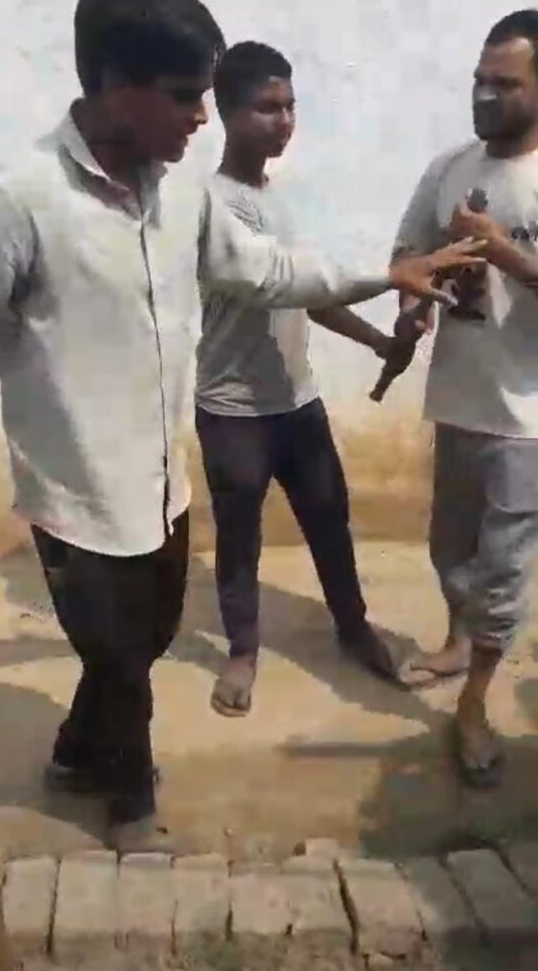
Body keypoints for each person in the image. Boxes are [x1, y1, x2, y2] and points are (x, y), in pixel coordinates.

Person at [0, 0, 481, 852]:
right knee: (122, 660)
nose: (202, 116)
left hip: (163, 485)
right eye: (186, 96)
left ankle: (74, 754)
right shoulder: (17, 202)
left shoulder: (180, 189)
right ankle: (129, 806)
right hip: (76, 502)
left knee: (143, 639)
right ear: (116, 84)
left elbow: (264, 270)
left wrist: (387, 274)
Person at [196, 41, 407, 716]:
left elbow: (308, 292)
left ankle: (352, 627)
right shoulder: (210, 206)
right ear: (226, 112)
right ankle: (242, 650)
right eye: (267, 108)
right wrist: (393, 276)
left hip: (297, 401)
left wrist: (377, 340)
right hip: (232, 410)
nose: (284, 121)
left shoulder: (279, 200)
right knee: (239, 538)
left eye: (290, 106)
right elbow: (275, 283)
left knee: (328, 519)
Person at [394, 10, 538, 787]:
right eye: (478, 81)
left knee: (501, 568)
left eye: (503, 84)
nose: (483, 95)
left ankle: (474, 703)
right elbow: (408, 249)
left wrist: (500, 248)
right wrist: (413, 300)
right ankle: (457, 643)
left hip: (527, 417)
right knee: (448, 548)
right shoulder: (449, 167)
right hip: (456, 399)